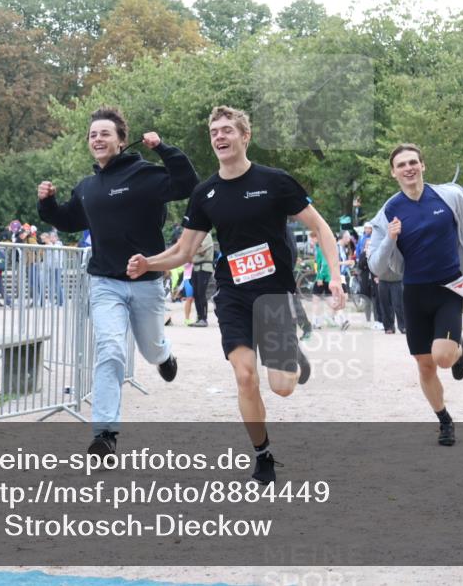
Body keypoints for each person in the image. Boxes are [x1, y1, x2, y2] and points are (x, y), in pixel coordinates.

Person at [127, 105, 345, 484]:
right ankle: (262, 454)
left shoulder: (275, 181)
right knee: (245, 376)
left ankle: (291, 355)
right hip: (233, 294)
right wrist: (149, 263)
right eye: (214, 132)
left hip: (273, 295)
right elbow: (183, 251)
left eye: (227, 130)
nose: (219, 137)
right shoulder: (205, 192)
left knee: (282, 388)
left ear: (245, 136)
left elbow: (322, 229)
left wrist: (337, 277)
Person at [39, 106, 199, 457]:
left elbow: (188, 184)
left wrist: (163, 149)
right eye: (92, 135)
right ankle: (105, 434)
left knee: (150, 347)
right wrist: (48, 204)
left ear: (122, 141)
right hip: (105, 283)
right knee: (109, 350)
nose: (97, 139)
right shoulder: (88, 187)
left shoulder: (147, 175)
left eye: (105, 134)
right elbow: (68, 220)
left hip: (147, 282)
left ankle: (164, 354)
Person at [368, 143, 463, 448]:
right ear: (393, 172)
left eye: (412, 162)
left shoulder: (450, 196)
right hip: (415, 293)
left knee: (443, 358)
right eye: (401, 165)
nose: (408, 168)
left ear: (423, 165)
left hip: (449, 287)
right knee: (425, 366)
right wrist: (390, 239)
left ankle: (456, 347)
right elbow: (376, 265)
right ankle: (444, 420)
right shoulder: (389, 212)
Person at [190, 231, 214, 327]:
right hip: (195, 267)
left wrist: (190, 250)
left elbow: (202, 251)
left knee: (201, 293)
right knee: (196, 294)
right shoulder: (196, 236)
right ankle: (199, 317)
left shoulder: (206, 235)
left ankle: (204, 319)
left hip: (204, 267)